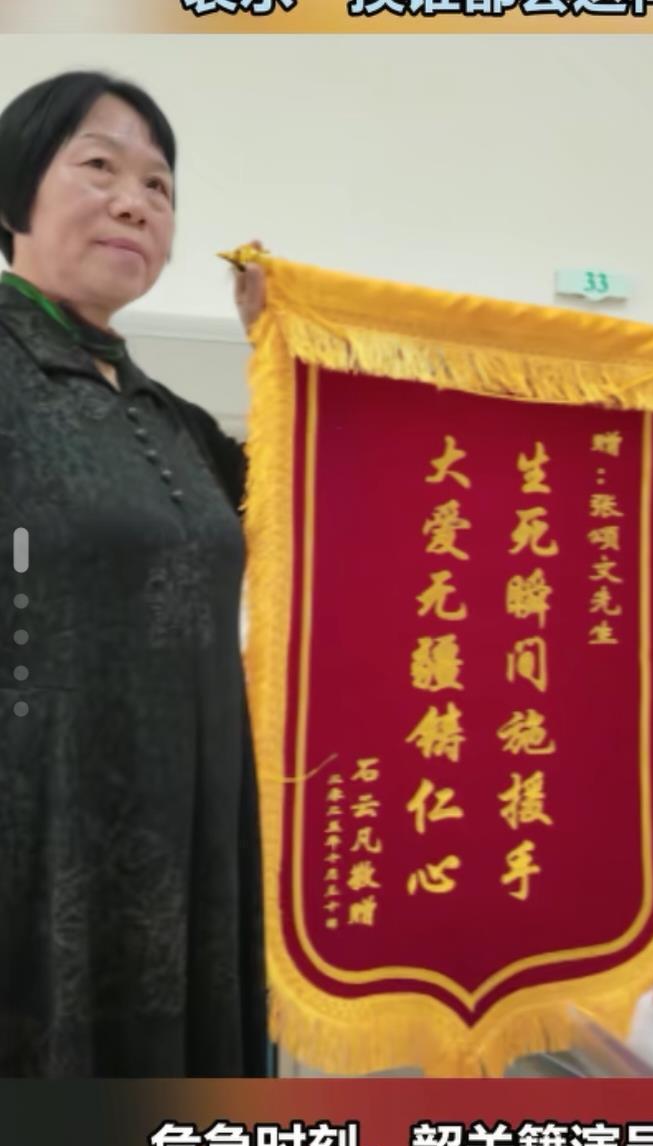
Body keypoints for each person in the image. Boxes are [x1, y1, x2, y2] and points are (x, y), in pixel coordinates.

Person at [0, 70, 268, 1076]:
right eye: (99, 167)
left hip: (190, 828)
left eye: (158, 186)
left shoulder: (174, 422)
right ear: (14, 194)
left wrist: (283, 350)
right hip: (38, 834)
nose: (134, 203)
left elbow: (320, 512)